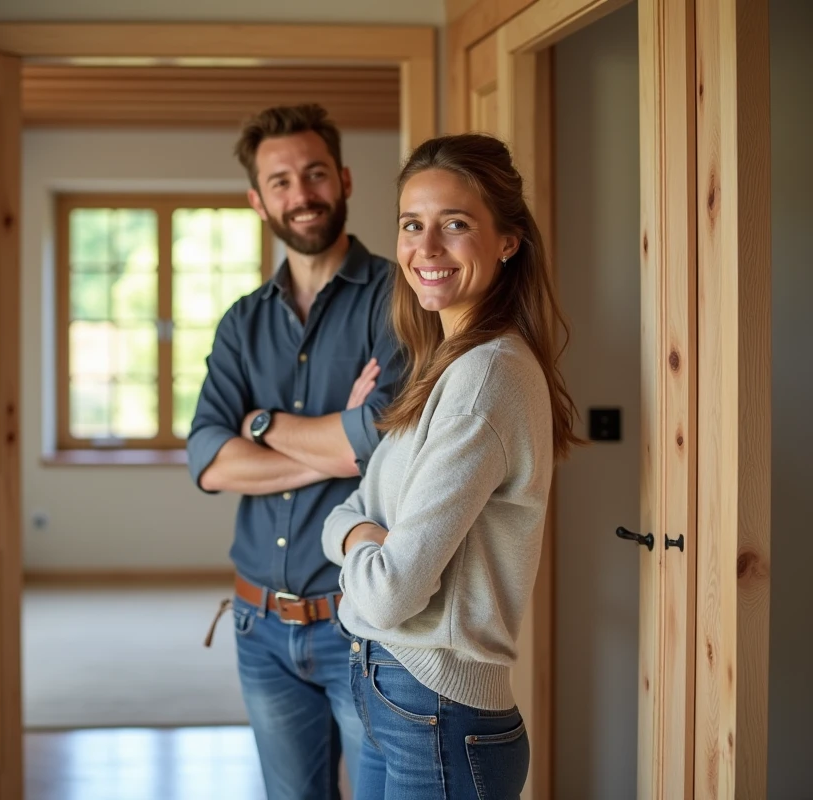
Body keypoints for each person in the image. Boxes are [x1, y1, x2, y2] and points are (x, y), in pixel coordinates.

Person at [321, 133, 583, 799]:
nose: (426, 249)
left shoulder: (484, 378)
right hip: (396, 696)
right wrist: (362, 536)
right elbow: (351, 515)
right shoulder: (444, 367)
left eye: (455, 224)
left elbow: (389, 591)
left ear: (507, 240)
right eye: (412, 225)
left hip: (434, 710)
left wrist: (359, 538)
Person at [186, 104, 407, 799]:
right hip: (258, 626)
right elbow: (209, 461)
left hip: (359, 622)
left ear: (342, 179)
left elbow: (376, 436)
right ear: (258, 200)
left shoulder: (398, 299)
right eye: (279, 181)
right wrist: (331, 438)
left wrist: (261, 423)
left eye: (314, 174)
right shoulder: (243, 322)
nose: (301, 193)